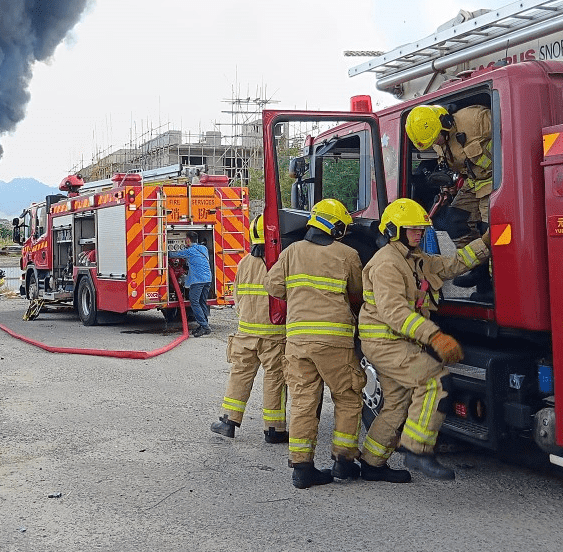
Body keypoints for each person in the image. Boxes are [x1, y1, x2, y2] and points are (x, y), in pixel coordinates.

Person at [358, 198, 490, 481]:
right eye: (413, 229)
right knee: (435, 381)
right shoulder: (386, 264)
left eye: (421, 229)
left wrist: (486, 244)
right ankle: (418, 452)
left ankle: (371, 463)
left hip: (397, 342)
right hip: (386, 343)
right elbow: (395, 313)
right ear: (394, 230)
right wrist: (435, 336)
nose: (419, 234)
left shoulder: (414, 258)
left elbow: (453, 264)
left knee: (396, 403)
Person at [264, 199, 365, 489]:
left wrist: (298, 295)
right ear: (335, 226)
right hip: (334, 341)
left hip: (297, 342)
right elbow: (358, 292)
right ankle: (343, 462)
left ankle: (302, 469)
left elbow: (273, 285)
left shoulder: (291, 251)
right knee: (347, 397)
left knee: (303, 401)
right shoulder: (348, 254)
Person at [210, 216, 288, 444]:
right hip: (274, 336)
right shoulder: (280, 263)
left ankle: (228, 422)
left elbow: (237, 297)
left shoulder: (244, 262)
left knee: (240, 375)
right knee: (275, 379)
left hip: (245, 334)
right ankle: (274, 429)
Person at [405, 103, 493, 301]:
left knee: (493, 231)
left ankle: (497, 285)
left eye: (436, 138)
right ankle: (480, 274)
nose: (437, 143)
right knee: (454, 221)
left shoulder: (476, 119)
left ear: (445, 123)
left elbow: (516, 132)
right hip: (474, 183)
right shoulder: (436, 141)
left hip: (497, 180)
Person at [170, 231, 213, 337]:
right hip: (207, 279)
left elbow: (174, 254)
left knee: (194, 302)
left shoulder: (190, 251)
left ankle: (204, 326)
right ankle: (204, 324)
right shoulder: (204, 249)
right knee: (202, 302)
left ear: (188, 240)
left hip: (197, 280)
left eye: (186, 239)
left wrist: (165, 251)